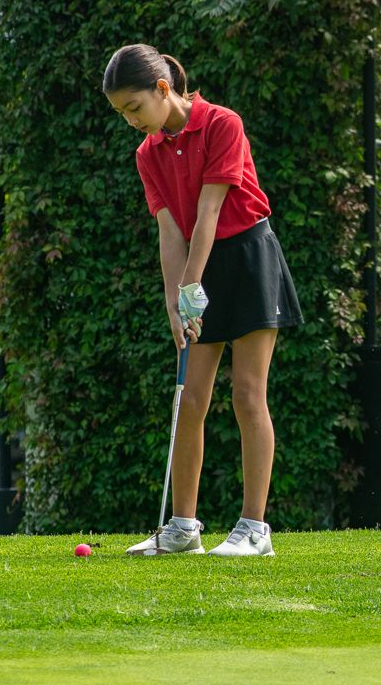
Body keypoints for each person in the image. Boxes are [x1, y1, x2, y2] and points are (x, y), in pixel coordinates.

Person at [102, 44, 303, 557]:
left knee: (247, 394)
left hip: (249, 258)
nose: (131, 121)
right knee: (189, 399)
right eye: (122, 113)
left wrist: (192, 286)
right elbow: (171, 232)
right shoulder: (148, 154)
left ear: (162, 88)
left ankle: (254, 530)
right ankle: (183, 529)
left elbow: (210, 211)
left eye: (134, 107)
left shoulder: (222, 124)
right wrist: (176, 301)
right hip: (198, 261)